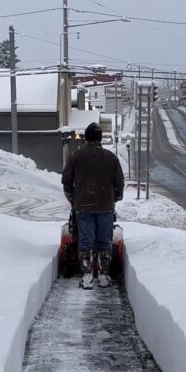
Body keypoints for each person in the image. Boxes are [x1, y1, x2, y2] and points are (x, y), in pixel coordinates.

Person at [62, 122, 124, 289]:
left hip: (83, 207)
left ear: (86, 138)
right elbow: (119, 182)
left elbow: (66, 181)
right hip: (105, 207)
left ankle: (87, 276)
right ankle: (103, 276)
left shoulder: (76, 156)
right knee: (105, 241)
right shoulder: (111, 158)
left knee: (85, 240)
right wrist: (115, 198)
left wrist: (73, 198)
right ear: (100, 138)